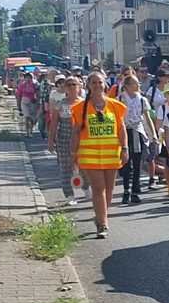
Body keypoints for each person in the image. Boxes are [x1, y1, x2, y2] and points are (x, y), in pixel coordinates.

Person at [70, 72, 128, 238]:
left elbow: (121, 128)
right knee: (98, 188)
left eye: (100, 82)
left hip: (111, 153)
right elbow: (76, 132)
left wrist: (125, 148)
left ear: (105, 84)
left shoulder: (115, 106)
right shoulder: (80, 108)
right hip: (90, 155)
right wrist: (73, 153)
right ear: (88, 85)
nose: (97, 85)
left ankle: (101, 215)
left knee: (109, 189)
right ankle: (102, 224)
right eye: (94, 82)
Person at [117, 75, 155, 204]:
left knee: (137, 162)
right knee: (126, 162)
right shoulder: (120, 99)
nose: (138, 85)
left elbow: (147, 118)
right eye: (134, 83)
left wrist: (153, 134)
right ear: (127, 86)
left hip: (137, 131)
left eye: (138, 83)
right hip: (125, 131)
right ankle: (126, 190)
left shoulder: (142, 100)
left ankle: (135, 190)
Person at [48, 77, 82, 206]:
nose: (72, 87)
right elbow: (54, 123)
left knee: (83, 166)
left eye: (74, 85)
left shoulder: (84, 103)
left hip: (81, 139)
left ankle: (85, 187)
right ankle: (69, 195)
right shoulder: (60, 104)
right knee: (66, 168)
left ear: (79, 87)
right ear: (65, 88)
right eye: (69, 85)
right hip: (64, 138)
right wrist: (51, 141)